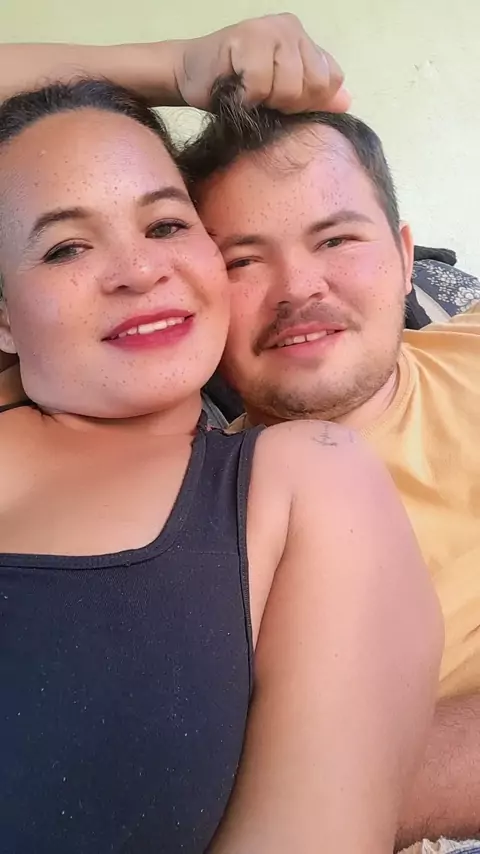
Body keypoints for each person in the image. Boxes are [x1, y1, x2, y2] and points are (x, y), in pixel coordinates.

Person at [0, 74, 442, 854]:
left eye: (167, 225)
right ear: (3, 316)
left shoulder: (301, 481)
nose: (139, 271)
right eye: (66, 246)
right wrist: (180, 64)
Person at [176, 81, 480, 850]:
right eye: (243, 260)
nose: (299, 289)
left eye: (337, 240)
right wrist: (166, 70)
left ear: (405, 258)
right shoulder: (188, 519)